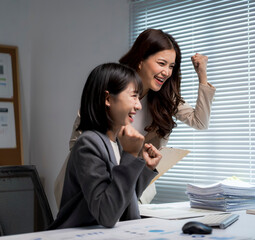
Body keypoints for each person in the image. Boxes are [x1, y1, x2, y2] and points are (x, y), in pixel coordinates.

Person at [54, 28, 216, 206]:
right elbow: (76, 145)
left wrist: (202, 76)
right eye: (161, 63)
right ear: (141, 60)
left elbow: (200, 122)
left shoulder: (164, 98)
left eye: (171, 66)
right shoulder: (111, 89)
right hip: (90, 184)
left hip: (134, 186)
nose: (167, 72)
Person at [49, 63, 162, 229]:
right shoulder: (88, 144)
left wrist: (146, 169)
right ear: (108, 99)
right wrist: (130, 155)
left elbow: (122, 200)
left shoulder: (117, 143)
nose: (138, 105)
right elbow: (106, 214)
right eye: (133, 96)